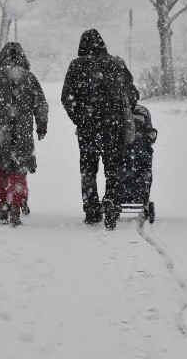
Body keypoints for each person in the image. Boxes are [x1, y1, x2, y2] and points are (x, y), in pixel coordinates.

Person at [61, 29, 137, 229]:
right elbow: (131, 93)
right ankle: (111, 198)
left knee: (88, 168)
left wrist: (79, 118)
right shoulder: (116, 63)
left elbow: (67, 97)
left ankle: (92, 209)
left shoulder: (76, 66)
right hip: (113, 125)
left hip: (88, 126)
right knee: (113, 166)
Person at [0, 42, 48, 226]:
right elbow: (41, 105)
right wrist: (41, 126)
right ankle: (15, 208)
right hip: (22, 132)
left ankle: (2, 209)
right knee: (19, 172)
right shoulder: (29, 78)